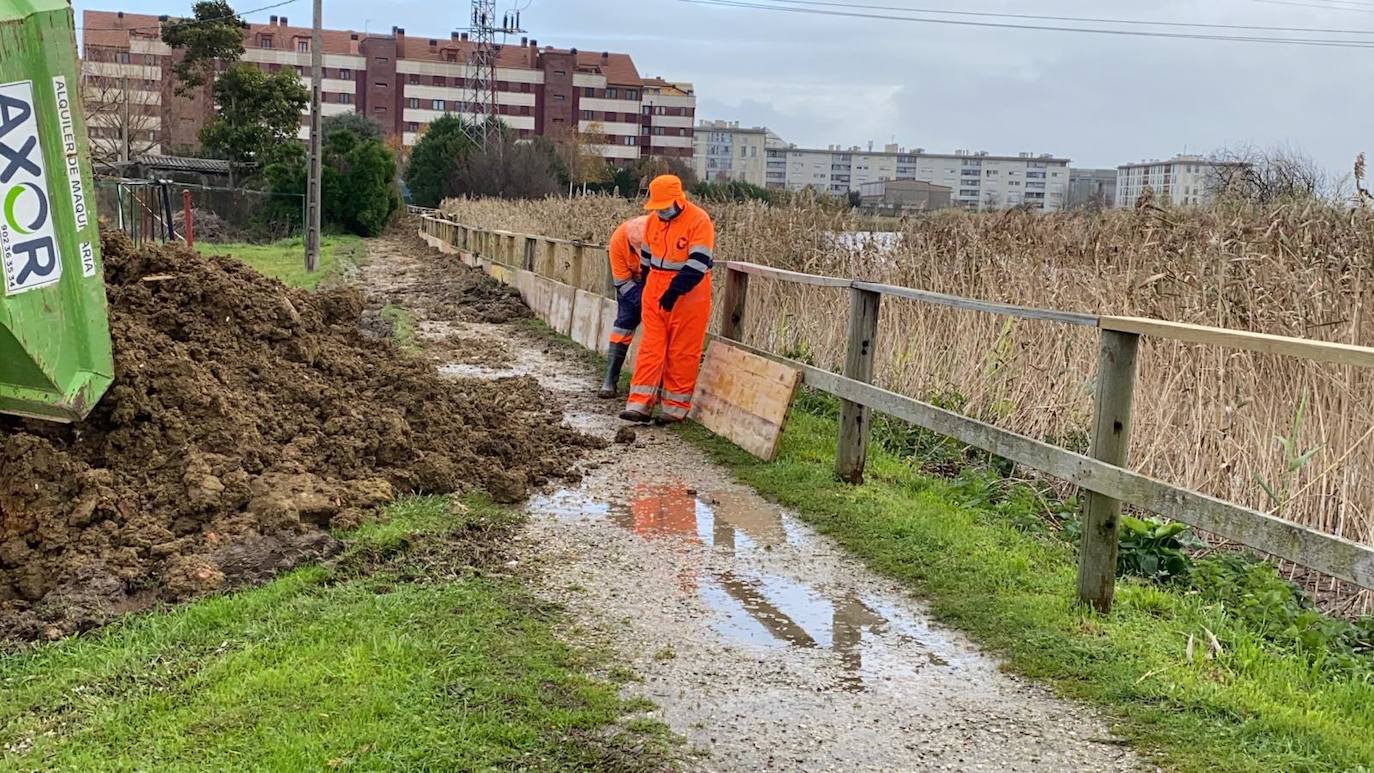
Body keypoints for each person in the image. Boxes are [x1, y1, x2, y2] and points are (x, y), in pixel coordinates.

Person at [620, 175, 715, 424]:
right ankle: (639, 404)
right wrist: (646, 289)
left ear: (678, 199)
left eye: (664, 206)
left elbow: (697, 264)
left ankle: (674, 408)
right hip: (655, 288)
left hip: (689, 294)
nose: (661, 211)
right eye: (657, 207)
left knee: (682, 351)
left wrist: (674, 292)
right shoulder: (652, 221)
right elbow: (646, 261)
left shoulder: (698, 220)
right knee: (650, 348)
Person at [599, 215, 649, 398]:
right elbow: (622, 281)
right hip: (629, 285)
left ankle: (650, 385)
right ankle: (610, 379)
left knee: (657, 332)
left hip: (655, 283)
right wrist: (644, 303)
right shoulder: (618, 240)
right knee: (623, 325)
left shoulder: (657, 233)